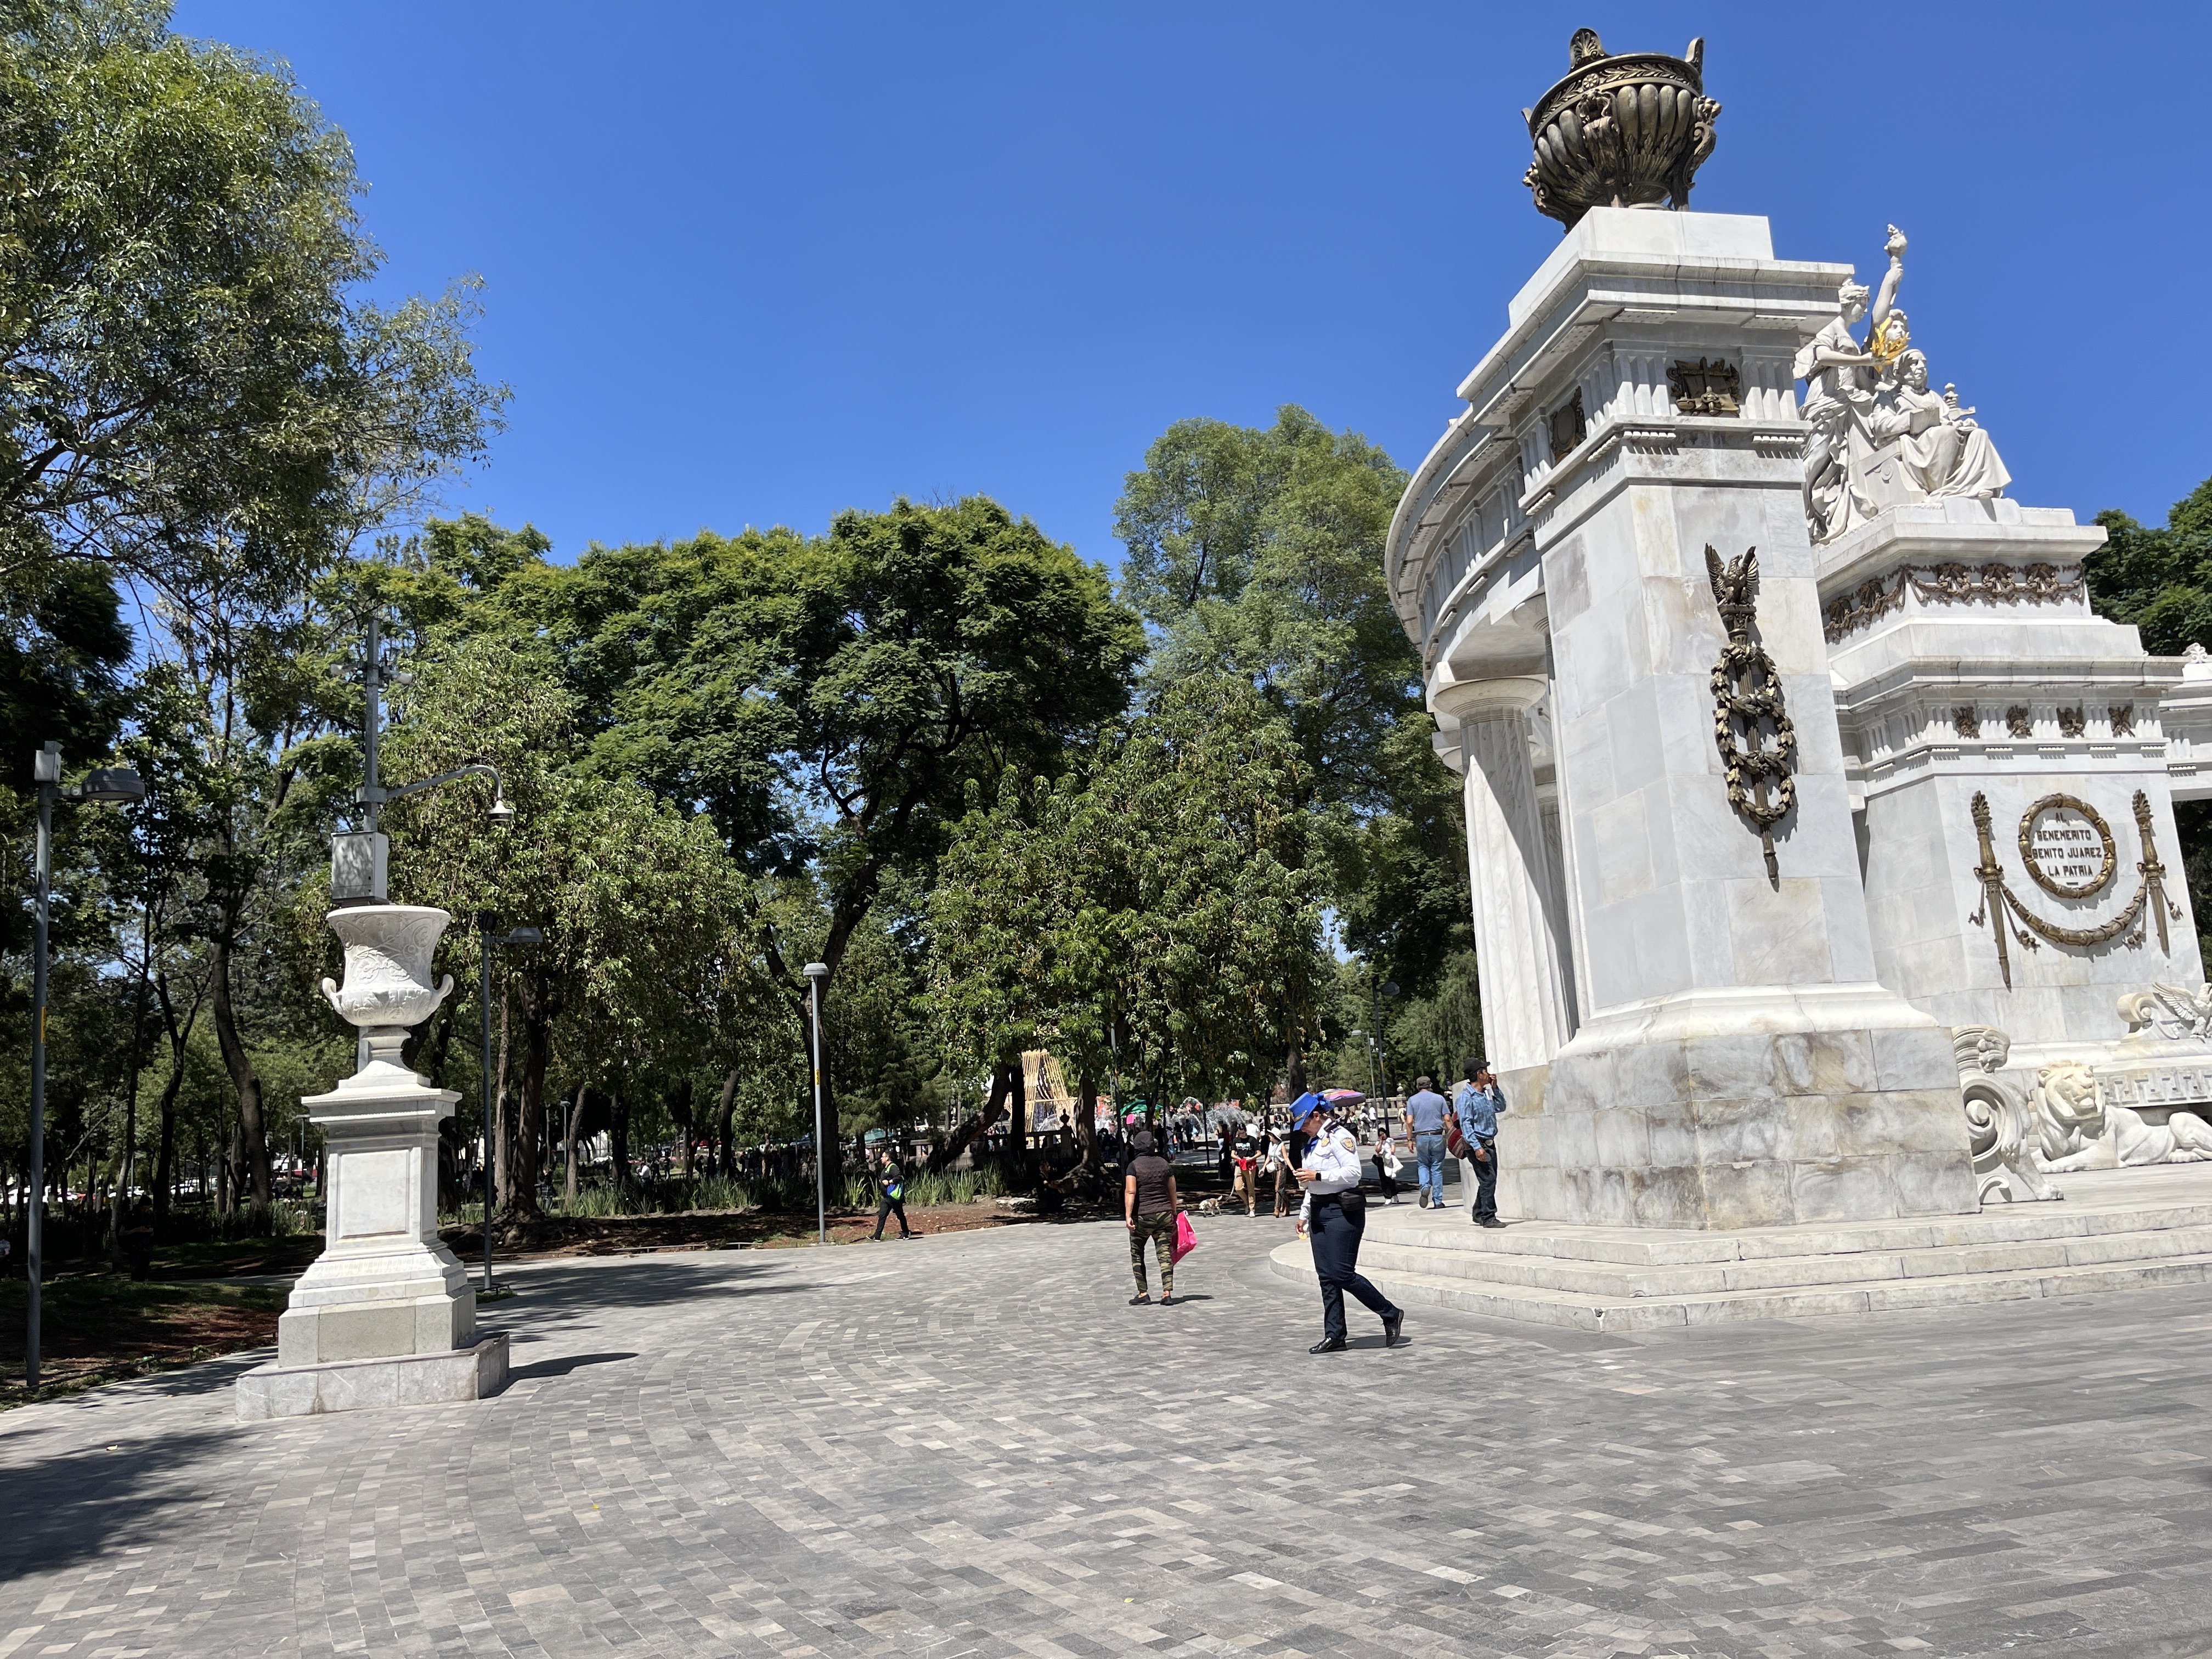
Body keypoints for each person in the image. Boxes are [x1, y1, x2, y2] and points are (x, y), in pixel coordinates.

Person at [1290, 1092, 1402, 1353]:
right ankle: (1335, 1334)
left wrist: (1318, 1175)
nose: (1303, 1130)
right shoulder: (1312, 1143)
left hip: (1342, 1210)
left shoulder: (1340, 1137)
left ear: (1316, 1116)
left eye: (1304, 1123)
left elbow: (1353, 1174)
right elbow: (1311, 1185)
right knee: (1326, 1277)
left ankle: (1389, 1312)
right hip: (1319, 1209)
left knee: (1341, 1273)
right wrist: (1304, 1213)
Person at [1124, 1128, 1182, 1306]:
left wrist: (1128, 1215)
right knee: (1164, 1254)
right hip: (1164, 1215)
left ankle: (1143, 1293)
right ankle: (1167, 1293)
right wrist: (1173, 1210)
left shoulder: (1134, 1166)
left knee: (1137, 1253)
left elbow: (1131, 1191)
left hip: (1142, 1217)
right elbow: (1172, 1190)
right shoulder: (1164, 1164)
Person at [1452, 1061, 1506, 1229]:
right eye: (1486, 1071)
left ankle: (1479, 1212)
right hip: (1477, 1143)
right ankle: (1488, 1216)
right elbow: (1466, 1125)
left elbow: (1501, 1107)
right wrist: (1477, 1148)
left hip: (1490, 1143)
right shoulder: (1466, 1097)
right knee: (1488, 1180)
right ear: (1479, 1074)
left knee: (1489, 1180)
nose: (1489, 1074)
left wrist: (1495, 1088)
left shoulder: (1486, 1093)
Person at [1403, 1075, 1451, 1210]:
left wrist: (1409, 1139)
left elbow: (1409, 1121)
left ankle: (1424, 1186)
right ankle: (1438, 1201)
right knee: (1437, 1168)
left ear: (1417, 1086)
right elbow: (1447, 1119)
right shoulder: (1439, 1098)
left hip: (1422, 1136)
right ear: (1430, 1085)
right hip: (1437, 1135)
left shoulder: (1412, 1100)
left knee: (1423, 1164)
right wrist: (1451, 1135)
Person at [870, 1147, 913, 1240]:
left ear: (887, 1158)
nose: (881, 1159)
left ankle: (905, 1233)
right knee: (882, 1215)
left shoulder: (893, 1167)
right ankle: (877, 1236)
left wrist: (889, 1182)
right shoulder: (886, 1168)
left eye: (883, 1157)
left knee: (900, 1215)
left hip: (893, 1197)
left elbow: (899, 1177)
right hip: (887, 1198)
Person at [1231, 1121, 1262, 1216]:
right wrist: (1237, 1158)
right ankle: (1247, 1203)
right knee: (1238, 1187)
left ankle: (1252, 1209)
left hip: (1250, 1166)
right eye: (1240, 1133)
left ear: (1246, 1131)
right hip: (1239, 1165)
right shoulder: (1236, 1140)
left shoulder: (1252, 1140)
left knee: (1250, 1187)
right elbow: (1232, 1154)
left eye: (1243, 1133)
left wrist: (1251, 1158)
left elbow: (1259, 1153)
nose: (1242, 1135)